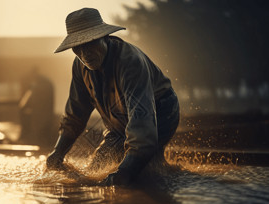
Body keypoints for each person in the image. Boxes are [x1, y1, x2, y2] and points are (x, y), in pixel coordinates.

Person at [46, 7, 180, 186]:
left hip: (161, 111)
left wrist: (124, 173)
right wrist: (58, 153)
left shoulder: (130, 62)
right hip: (117, 122)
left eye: (90, 43)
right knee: (97, 170)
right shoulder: (80, 67)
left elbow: (143, 127)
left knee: (144, 171)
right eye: (78, 47)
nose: (85, 54)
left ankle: (166, 176)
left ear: (105, 38)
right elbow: (76, 114)